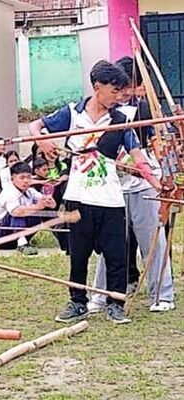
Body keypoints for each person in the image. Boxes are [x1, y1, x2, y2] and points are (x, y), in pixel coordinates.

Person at [30, 60, 163, 324]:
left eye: (120, 91)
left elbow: (138, 158)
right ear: (96, 87)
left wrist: (159, 184)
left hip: (110, 199)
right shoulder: (72, 113)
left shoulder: (121, 121)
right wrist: (43, 142)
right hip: (78, 198)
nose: (117, 97)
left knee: (116, 254)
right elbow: (35, 126)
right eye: (113, 91)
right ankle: (77, 302)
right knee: (78, 255)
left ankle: (115, 304)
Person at [89, 56, 174, 314]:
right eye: (118, 89)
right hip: (112, 186)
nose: (124, 93)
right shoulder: (100, 110)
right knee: (109, 243)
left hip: (142, 186)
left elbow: (154, 143)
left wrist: (159, 173)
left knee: (153, 241)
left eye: (128, 87)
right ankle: (101, 295)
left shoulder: (143, 109)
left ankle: (162, 294)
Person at [0, 162, 57, 255]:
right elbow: (16, 212)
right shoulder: (9, 192)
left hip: (16, 235)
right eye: (22, 177)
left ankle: (63, 240)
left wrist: (48, 200)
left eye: (28, 177)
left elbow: (51, 205)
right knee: (18, 211)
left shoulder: (31, 191)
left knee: (44, 212)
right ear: (12, 179)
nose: (26, 181)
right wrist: (37, 206)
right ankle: (22, 243)